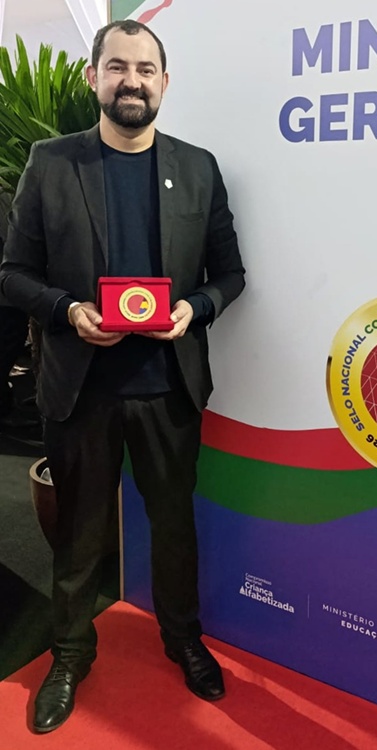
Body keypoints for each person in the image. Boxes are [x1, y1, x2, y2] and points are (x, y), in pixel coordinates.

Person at [0, 20, 245, 733]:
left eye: (144, 69)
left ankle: (183, 639)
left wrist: (194, 309)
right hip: (82, 389)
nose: (130, 81)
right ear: (94, 77)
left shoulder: (197, 167)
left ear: (164, 82)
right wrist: (68, 310)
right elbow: (13, 273)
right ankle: (70, 655)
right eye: (117, 67)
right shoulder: (52, 163)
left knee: (173, 527)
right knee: (78, 535)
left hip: (168, 386)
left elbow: (230, 273)